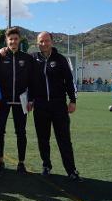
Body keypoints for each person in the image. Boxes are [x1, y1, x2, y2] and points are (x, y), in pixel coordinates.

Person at [30, 32, 82, 182]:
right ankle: (46, 166)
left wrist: (72, 100)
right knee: (43, 138)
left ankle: (71, 170)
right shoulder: (33, 59)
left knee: (64, 138)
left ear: (52, 42)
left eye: (46, 41)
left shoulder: (60, 59)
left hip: (58, 105)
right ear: (37, 43)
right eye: (41, 41)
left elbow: (69, 81)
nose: (44, 44)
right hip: (40, 105)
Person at [0, 27, 34, 175]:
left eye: (15, 39)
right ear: (6, 41)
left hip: (21, 101)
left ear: (19, 39)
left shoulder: (27, 58)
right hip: (3, 101)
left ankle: (21, 163)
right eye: (10, 39)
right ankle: (0, 161)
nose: (13, 41)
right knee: (0, 131)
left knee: (21, 132)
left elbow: (32, 81)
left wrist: (31, 99)